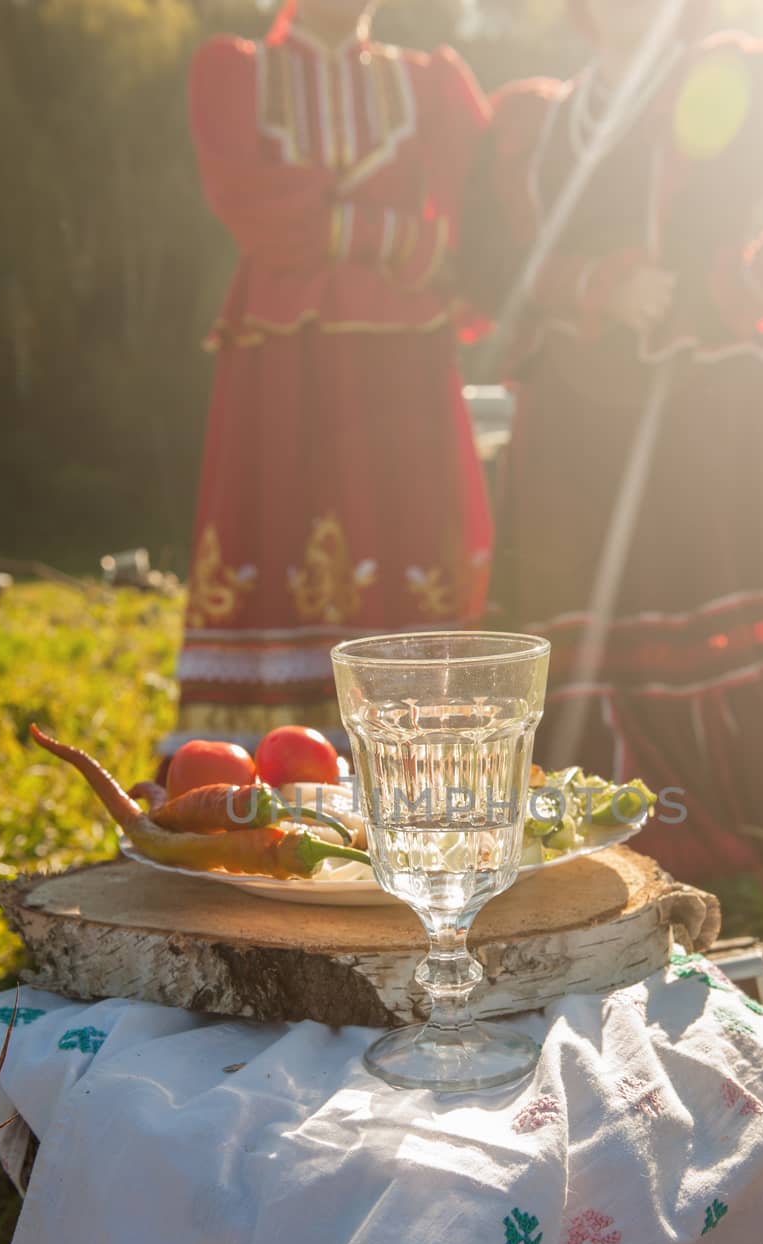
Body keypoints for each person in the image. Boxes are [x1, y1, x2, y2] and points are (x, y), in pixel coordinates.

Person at [460, 0, 763, 886]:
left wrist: (749, 273)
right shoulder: (533, 117)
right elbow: (482, 259)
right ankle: (585, 817)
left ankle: (738, 824)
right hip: (570, 419)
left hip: (705, 406)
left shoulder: (733, 75)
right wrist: (590, 284)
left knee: (698, 588)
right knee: (582, 611)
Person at [175, 0, 493, 748]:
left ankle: (424, 758)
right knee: (275, 525)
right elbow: (253, 205)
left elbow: (485, 221)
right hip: (284, 362)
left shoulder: (432, 83)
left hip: (402, 368)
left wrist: (346, 232)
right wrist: (401, 240)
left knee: (408, 531)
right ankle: (258, 758)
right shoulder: (236, 72)